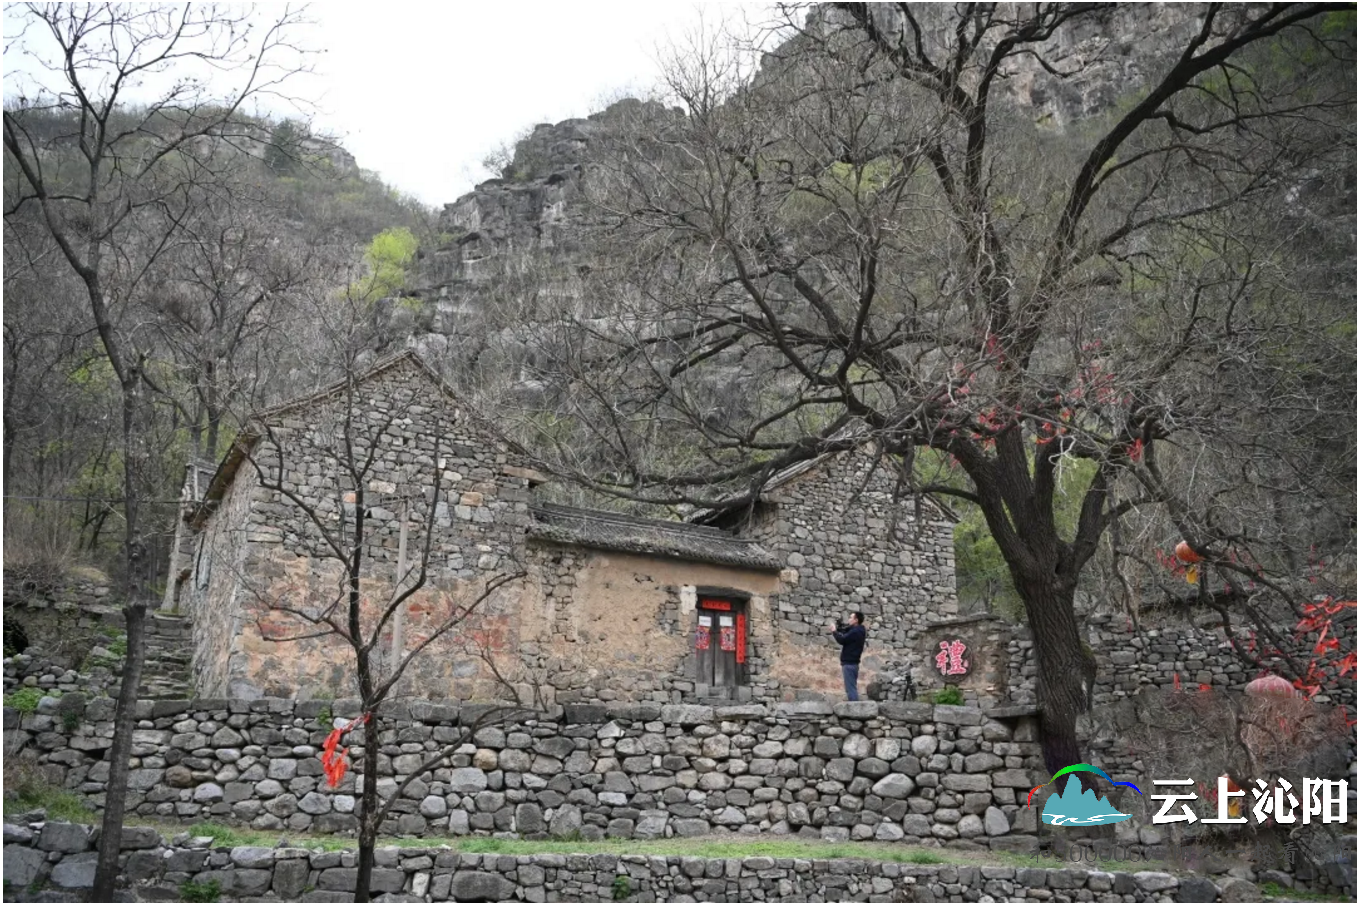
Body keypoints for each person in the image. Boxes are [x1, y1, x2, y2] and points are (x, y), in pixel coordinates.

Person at [829, 611, 867, 701]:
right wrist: (839, 625)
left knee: (851, 689)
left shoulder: (855, 632)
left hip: (849, 664)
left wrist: (834, 631)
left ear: (856, 620)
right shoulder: (859, 630)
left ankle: (855, 711)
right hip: (852, 663)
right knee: (850, 688)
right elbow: (845, 629)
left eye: (851, 618)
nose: (849, 619)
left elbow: (842, 639)